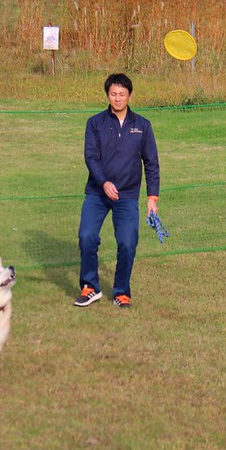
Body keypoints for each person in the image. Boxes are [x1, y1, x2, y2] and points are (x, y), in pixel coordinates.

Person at [74, 73, 160, 309]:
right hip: (97, 193)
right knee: (87, 237)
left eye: (122, 94)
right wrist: (103, 182)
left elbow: (151, 162)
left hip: (127, 196)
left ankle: (122, 292)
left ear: (129, 95)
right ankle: (90, 287)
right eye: (113, 94)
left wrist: (152, 198)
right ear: (107, 95)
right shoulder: (95, 123)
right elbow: (91, 157)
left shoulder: (142, 126)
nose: (118, 98)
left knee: (127, 242)